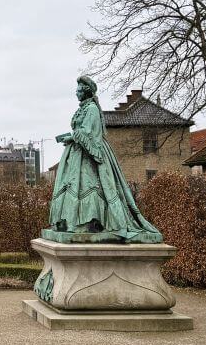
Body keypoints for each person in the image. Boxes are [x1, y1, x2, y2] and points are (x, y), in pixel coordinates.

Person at [48, 75, 162, 243]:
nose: (76, 93)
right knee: (74, 185)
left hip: (90, 156)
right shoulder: (83, 108)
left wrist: (72, 137)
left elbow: (88, 133)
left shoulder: (92, 109)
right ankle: (72, 222)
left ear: (86, 92)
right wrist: (72, 138)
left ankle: (90, 223)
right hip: (77, 155)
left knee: (90, 186)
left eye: (79, 90)